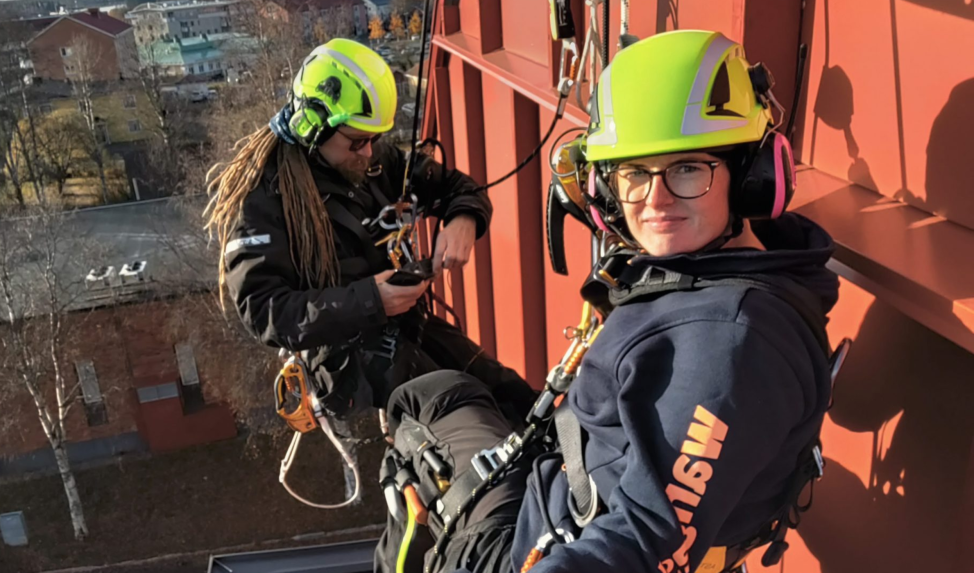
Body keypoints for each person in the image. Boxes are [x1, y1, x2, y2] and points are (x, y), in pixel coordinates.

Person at [376, 30, 840, 573]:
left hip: (530, 550)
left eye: (687, 168)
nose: (655, 200)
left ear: (751, 177)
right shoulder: (735, 268)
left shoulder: (729, 343)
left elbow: (644, 541)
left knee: (419, 404)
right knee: (448, 390)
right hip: (555, 490)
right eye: (634, 174)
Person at [203, 38, 535, 434]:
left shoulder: (372, 160)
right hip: (345, 358)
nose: (368, 152)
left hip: (406, 326)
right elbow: (265, 311)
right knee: (464, 422)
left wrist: (463, 218)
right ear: (312, 125)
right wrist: (370, 301)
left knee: (513, 396)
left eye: (373, 139)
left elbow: (455, 188)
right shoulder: (264, 198)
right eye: (356, 141)